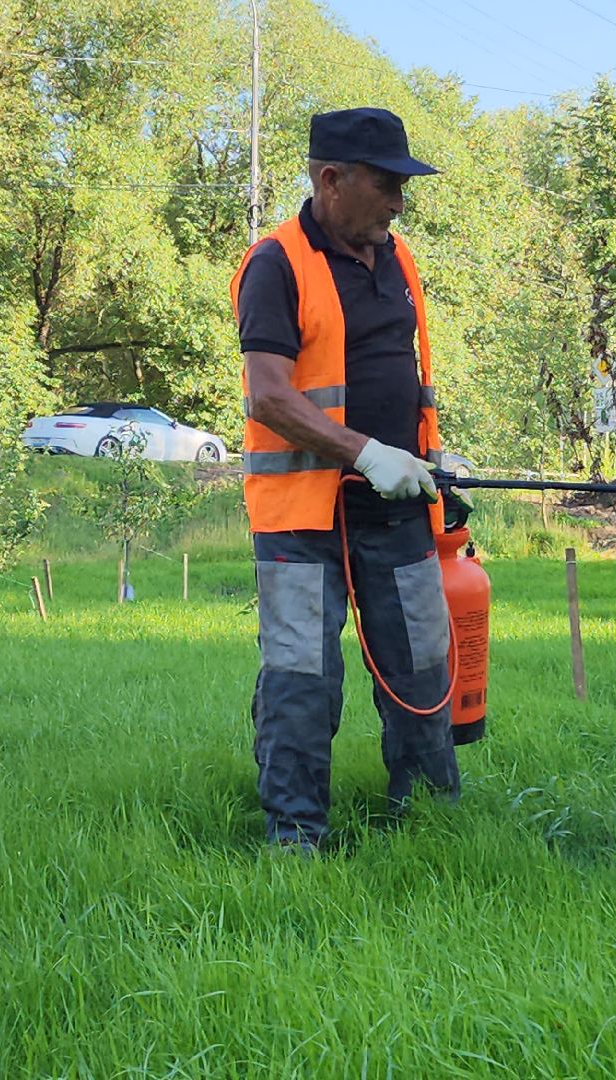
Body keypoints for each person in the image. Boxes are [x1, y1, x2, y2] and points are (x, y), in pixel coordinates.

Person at [229, 107, 458, 852]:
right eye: (387, 184)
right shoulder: (276, 263)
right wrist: (365, 453)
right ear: (331, 179)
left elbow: (402, 379)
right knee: (302, 679)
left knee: (422, 664)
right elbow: (269, 394)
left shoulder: (397, 258)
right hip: (301, 517)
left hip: (396, 508)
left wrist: (422, 464)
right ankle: (295, 837)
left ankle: (429, 822)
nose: (399, 202)